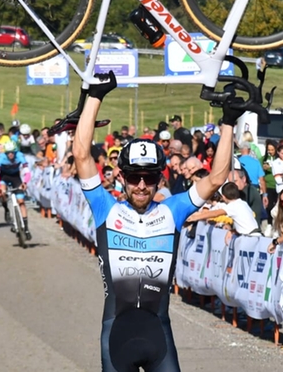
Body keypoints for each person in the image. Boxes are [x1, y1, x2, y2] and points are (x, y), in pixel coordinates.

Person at [71, 71, 239, 372]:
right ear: (122, 177)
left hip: (158, 334)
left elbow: (216, 178)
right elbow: (81, 153)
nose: (141, 185)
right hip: (117, 335)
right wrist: (95, 96)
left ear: (159, 178)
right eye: (134, 177)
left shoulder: (172, 211)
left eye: (149, 178)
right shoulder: (105, 209)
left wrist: (229, 122)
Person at [187, 183, 259, 235]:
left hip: (249, 237)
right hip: (255, 234)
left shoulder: (233, 206)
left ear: (223, 197)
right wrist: (233, 231)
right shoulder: (243, 203)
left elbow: (215, 213)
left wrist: (195, 217)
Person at [0, 142, 30, 239]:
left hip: (15, 177)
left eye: (12, 152)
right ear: (5, 153)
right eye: (8, 152)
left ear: (15, 152)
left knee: (21, 201)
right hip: (4, 177)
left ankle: (26, 228)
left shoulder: (20, 155)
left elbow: (27, 172)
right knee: (2, 192)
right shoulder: (1, 158)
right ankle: (6, 208)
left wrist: (25, 183)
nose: (10, 154)